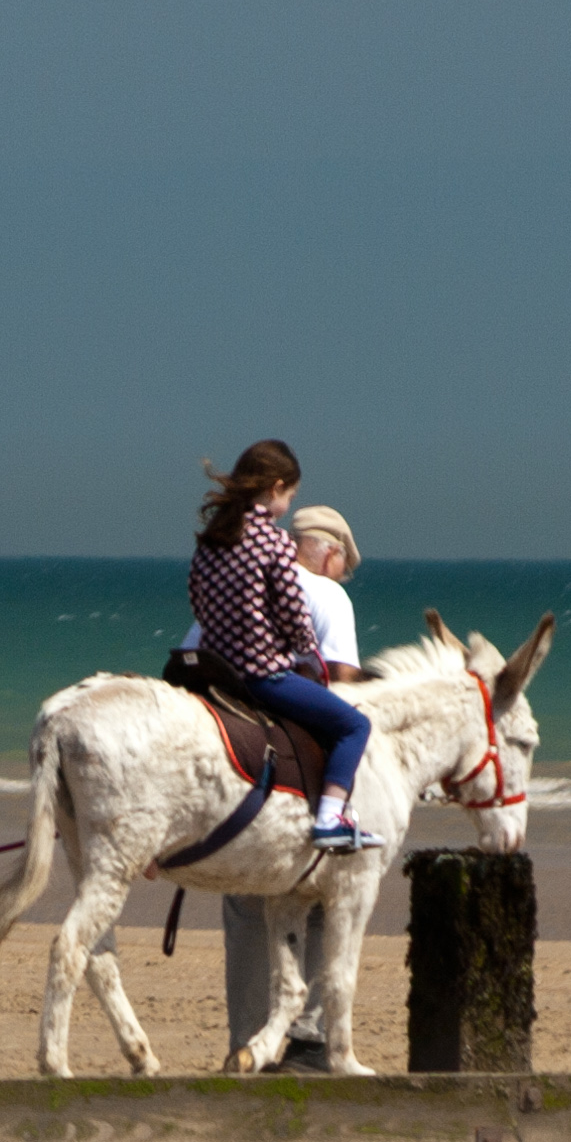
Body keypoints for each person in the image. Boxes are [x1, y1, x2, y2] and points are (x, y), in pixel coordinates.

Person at [222, 505, 369, 1068]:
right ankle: (308, 1041)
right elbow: (344, 689)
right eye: (342, 566)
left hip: (233, 777)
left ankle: (245, 1044)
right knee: (325, 900)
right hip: (292, 779)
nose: (340, 575)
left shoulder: (240, 588)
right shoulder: (328, 595)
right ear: (330, 554)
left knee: (244, 907)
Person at [183, 440, 378, 851]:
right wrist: (305, 647)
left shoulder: (213, 538)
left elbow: (197, 599)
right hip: (260, 675)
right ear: (275, 488)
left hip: (215, 670)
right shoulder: (273, 543)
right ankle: (330, 818)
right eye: (290, 496)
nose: (288, 506)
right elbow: (291, 609)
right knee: (354, 726)